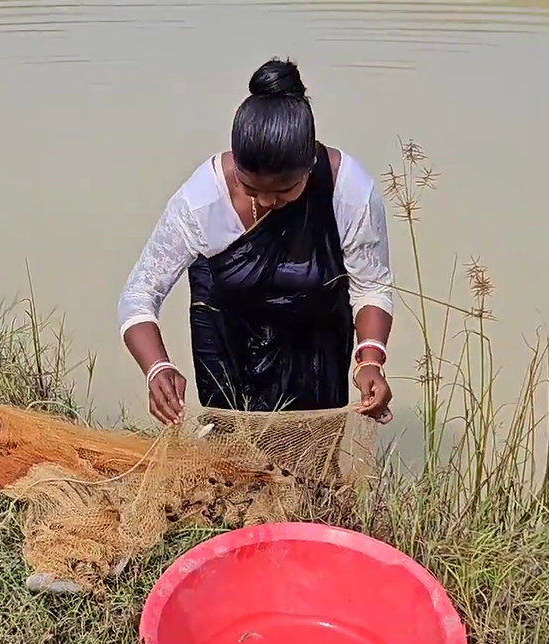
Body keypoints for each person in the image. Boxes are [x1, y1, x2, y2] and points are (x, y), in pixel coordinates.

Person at [116, 57, 395, 427]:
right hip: (227, 347)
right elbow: (138, 295)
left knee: (313, 469)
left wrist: (370, 358)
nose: (265, 202)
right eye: (251, 188)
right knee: (231, 466)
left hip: (315, 349)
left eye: (284, 191)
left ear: (309, 166)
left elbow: (371, 286)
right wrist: (157, 367)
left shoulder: (349, 191)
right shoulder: (202, 201)